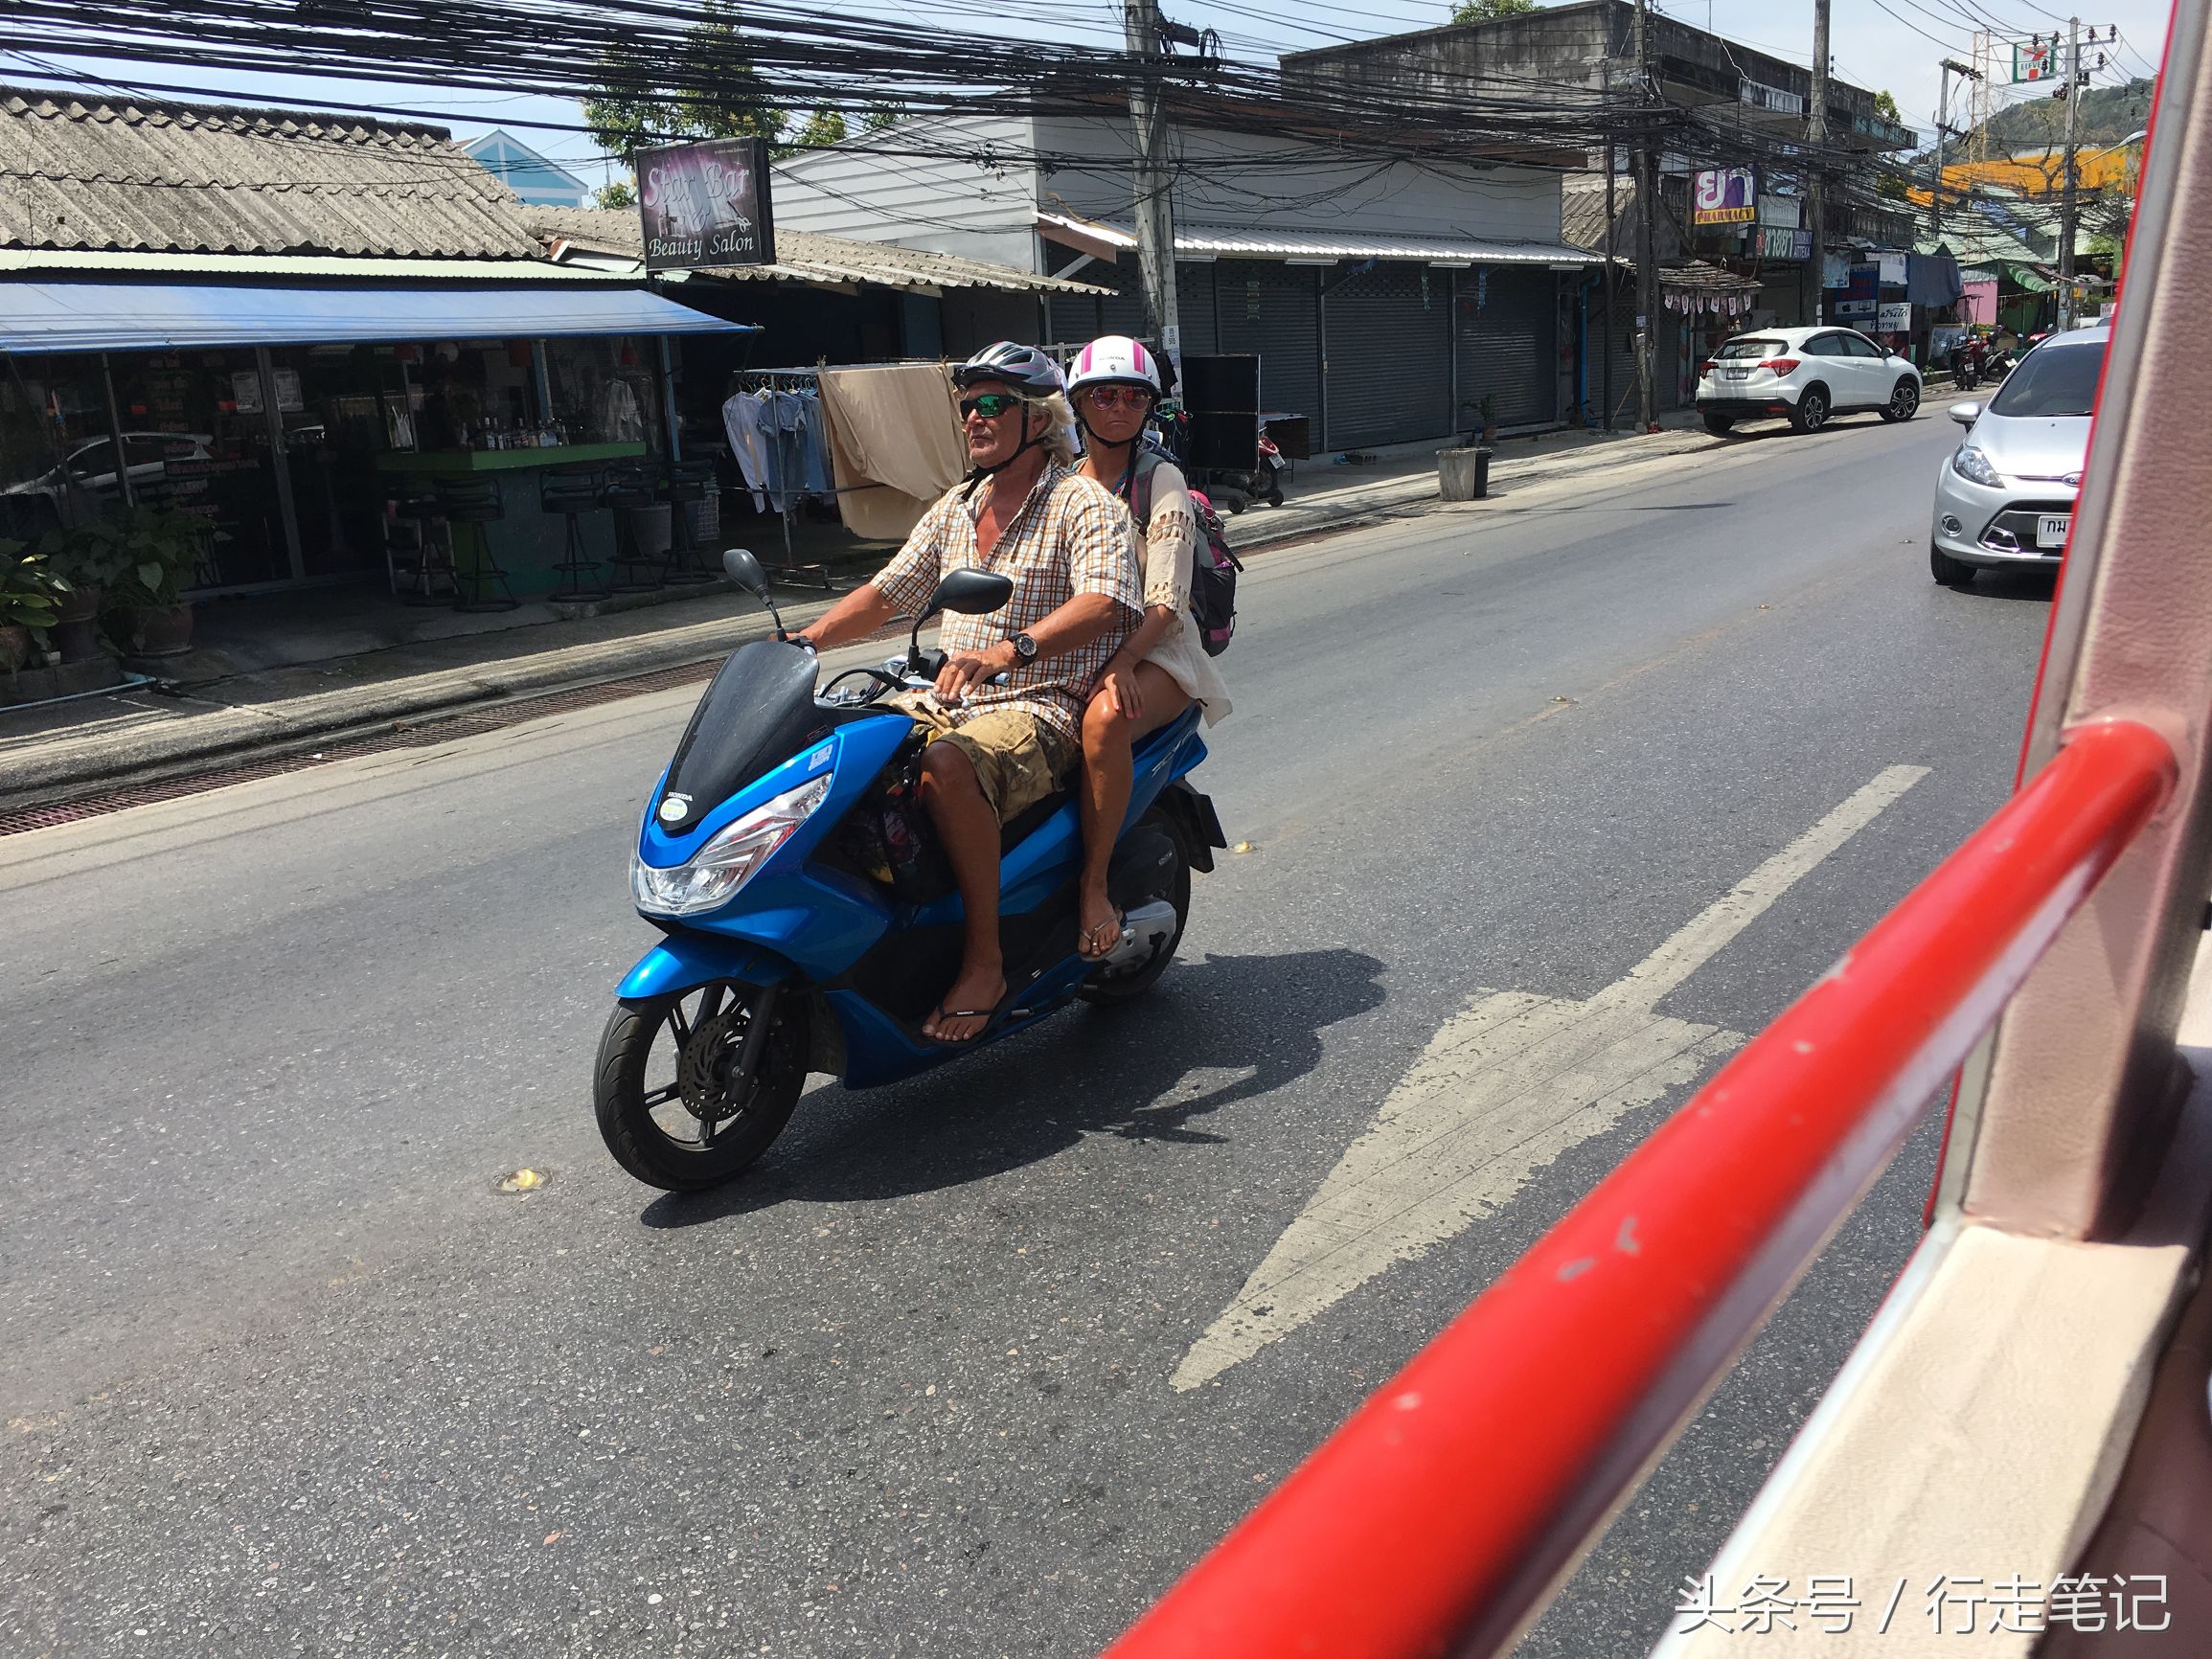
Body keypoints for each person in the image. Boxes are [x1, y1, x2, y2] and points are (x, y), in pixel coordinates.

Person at [792, 342, 1140, 1042]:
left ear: (1036, 419)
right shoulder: (957, 504)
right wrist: (802, 643)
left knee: (946, 765)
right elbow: (888, 591)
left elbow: (1107, 601)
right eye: (967, 407)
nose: (974, 420)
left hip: (1039, 702)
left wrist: (1008, 650)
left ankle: (984, 961)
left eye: (992, 406)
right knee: (825, 752)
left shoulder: (1082, 503)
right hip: (945, 695)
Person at [1062, 336, 1232, 961]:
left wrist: (1121, 662)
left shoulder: (1161, 480)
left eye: (1132, 396)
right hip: (1078, 649)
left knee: (1101, 725)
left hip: (1155, 649)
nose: (1117, 408)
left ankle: (1092, 887)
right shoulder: (1059, 485)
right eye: (1102, 395)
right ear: (1078, 403)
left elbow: (1165, 598)